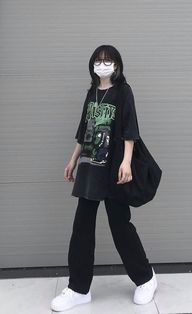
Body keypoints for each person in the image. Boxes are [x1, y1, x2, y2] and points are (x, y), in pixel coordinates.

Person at [50, 45, 157, 312]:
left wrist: (126, 162)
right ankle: (78, 288)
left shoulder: (123, 91)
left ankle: (146, 278)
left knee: (120, 226)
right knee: (81, 228)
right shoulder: (91, 93)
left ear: (117, 65)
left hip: (113, 169)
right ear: (92, 65)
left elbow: (131, 128)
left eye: (108, 61)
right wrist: (73, 159)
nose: (103, 64)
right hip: (89, 167)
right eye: (98, 60)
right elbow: (83, 129)